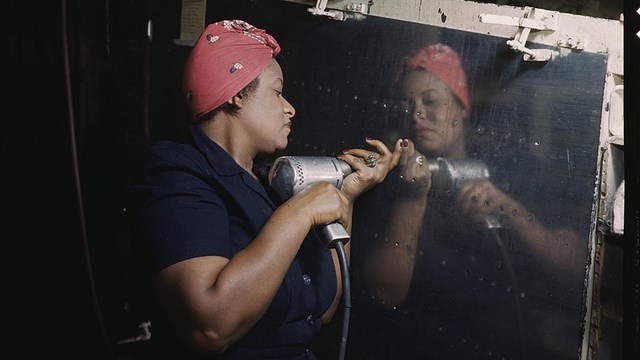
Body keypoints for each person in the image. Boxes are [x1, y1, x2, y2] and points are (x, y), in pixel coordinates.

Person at [134, 19, 405, 359]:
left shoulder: (267, 183)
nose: (290, 107)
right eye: (277, 92)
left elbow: (323, 311)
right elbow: (210, 327)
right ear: (236, 93)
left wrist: (345, 198)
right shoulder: (178, 176)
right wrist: (301, 211)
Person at [350, 43, 587, 359]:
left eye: (431, 101)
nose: (418, 113)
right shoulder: (385, 182)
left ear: (462, 107)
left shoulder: (510, 167)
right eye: (406, 105)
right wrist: (412, 199)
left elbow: (575, 270)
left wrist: (507, 208)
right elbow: (384, 294)